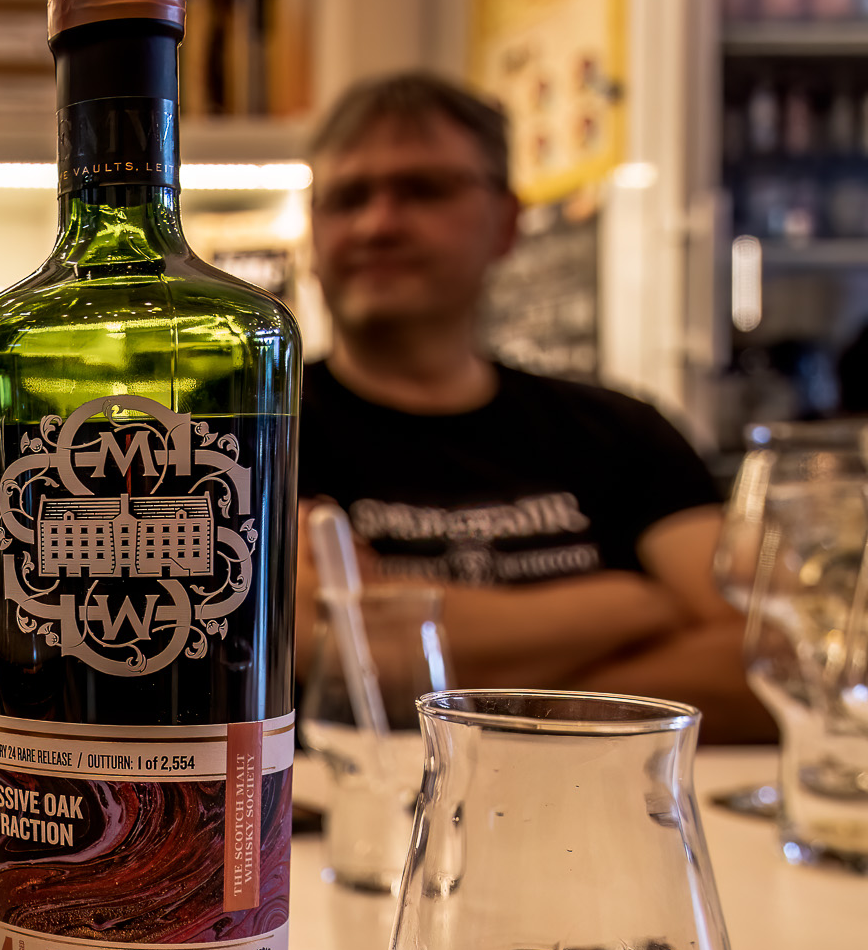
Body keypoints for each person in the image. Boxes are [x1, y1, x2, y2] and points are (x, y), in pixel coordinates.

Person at [298, 71, 768, 741]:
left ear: (507, 223)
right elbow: (352, 649)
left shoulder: (625, 432)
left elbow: (764, 660)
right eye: (347, 199)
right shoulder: (250, 436)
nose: (378, 224)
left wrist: (502, 701)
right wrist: (639, 604)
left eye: (424, 190)